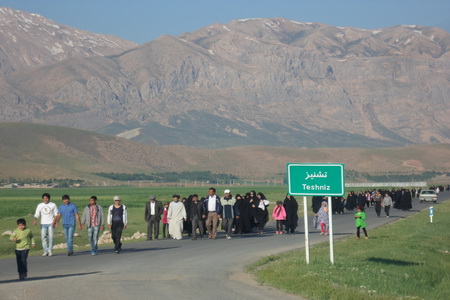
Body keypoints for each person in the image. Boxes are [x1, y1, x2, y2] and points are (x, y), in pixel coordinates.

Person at [33, 192, 58, 257]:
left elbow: (56, 214)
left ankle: (50, 250)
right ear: (42, 199)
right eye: (44, 198)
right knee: (43, 237)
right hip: (43, 223)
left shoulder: (53, 205)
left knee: (51, 237)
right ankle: (45, 251)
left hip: (50, 223)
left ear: (49, 199)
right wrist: (35, 220)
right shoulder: (40, 205)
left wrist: (54, 222)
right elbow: (37, 213)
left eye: (47, 198)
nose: (45, 199)